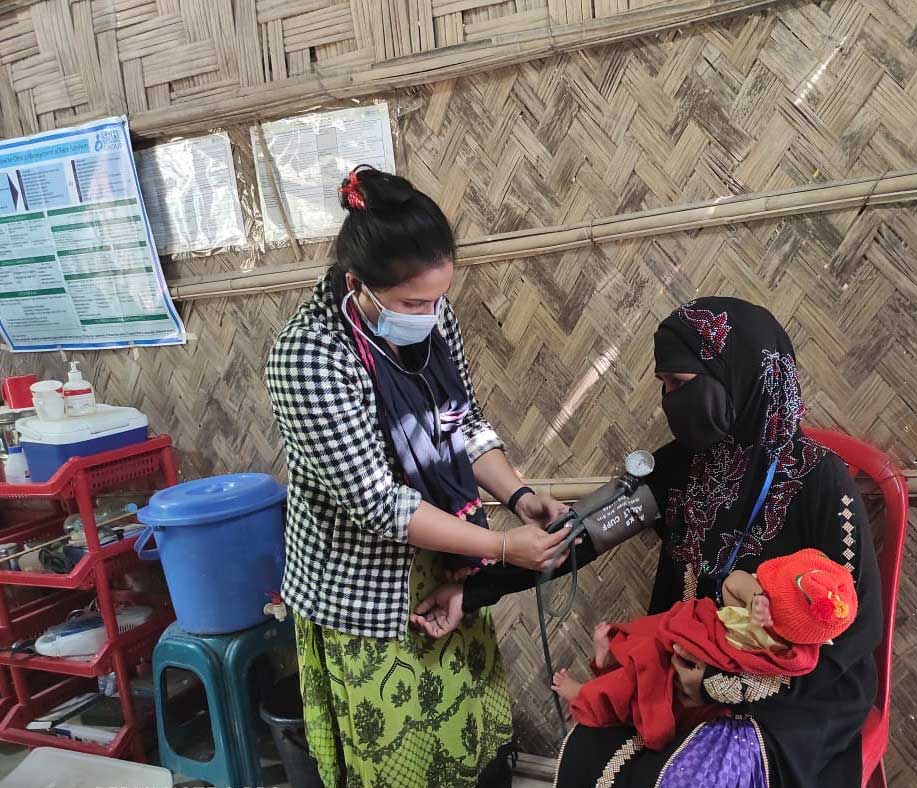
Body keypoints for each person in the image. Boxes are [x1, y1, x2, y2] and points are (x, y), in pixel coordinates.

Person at [412, 297, 882, 788]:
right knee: (589, 754)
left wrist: (725, 687)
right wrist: (474, 592)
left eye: (680, 385)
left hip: (792, 691)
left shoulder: (820, 481)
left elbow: (851, 629)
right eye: (663, 387)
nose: (670, 402)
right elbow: (582, 536)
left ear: (736, 373)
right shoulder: (680, 465)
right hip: (685, 668)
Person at [265, 165, 571, 788]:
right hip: (364, 590)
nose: (429, 315)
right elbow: (378, 502)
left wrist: (520, 495)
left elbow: (461, 423)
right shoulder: (309, 356)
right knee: (399, 758)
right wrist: (504, 546)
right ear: (359, 286)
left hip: (450, 557)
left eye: (436, 300)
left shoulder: (432, 321)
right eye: (411, 303)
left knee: (471, 739)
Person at [551, 548, 859, 751]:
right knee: (642, 639)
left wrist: (715, 679)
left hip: (703, 665)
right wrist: (756, 597)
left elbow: (761, 681)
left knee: (647, 682)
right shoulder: (759, 600)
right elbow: (733, 583)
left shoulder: (792, 655)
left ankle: (587, 695)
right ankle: (608, 661)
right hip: (694, 627)